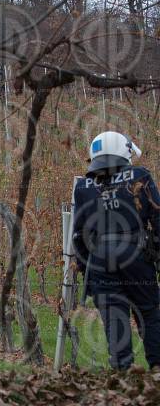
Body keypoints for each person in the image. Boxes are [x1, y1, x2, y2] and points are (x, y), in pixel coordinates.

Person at [73, 131, 160, 371]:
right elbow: (158, 215)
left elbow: (78, 236)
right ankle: (158, 370)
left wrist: (85, 271)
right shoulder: (140, 176)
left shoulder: (83, 186)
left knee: (115, 321)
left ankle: (124, 377)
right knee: (150, 314)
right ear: (123, 151)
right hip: (135, 255)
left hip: (100, 261)